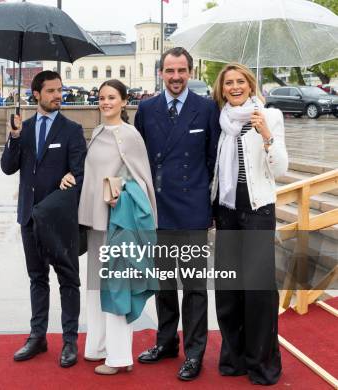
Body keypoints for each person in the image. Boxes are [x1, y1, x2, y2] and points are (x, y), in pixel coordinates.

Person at [134, 47, 221, 381]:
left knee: (195, 287)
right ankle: (166, 342)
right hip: (158, 209)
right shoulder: (146, 108)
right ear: (161, 72)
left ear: (191, 71)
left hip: (193, 211)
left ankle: (195, 352)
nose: (175, 77)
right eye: (170, 71)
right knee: (164, 284)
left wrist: (210, 209)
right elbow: (138, 159)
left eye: (181, 71)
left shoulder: (207, 108)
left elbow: (214, 161)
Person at [60, 79, 157, 375]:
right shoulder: (99, 131)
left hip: (117, 223)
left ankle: (119, 358)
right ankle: (97, 346)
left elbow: (142, 180)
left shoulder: (129, 136)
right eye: (102, 97)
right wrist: (71, 177)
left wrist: (120, 188)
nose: (105, 102)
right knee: (96, 286)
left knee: (117, 287)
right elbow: (93, 172)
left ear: (124, 101)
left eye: (112, 97)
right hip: (95, 224)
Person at [1, 70, 87, 368]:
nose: (57, 96)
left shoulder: (72, 130)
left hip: (60, 219)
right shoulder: (22, 129)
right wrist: (13, 137)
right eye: (51, 91)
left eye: (59, 90)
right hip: (29, 217)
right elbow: (8, 168)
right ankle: (38, 336)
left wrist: (71, 176)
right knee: (37, 278)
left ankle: (69, 341)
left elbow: (80, 171)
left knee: (68, 280)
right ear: (36, 94)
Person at [210, 63, 287, 385]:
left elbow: (280, 169)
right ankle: (234, 357)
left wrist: (266, 137)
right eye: (229, 82)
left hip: (257, 212)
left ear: (250, 84)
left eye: (241, 81)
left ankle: (261, 362)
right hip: (226, 210)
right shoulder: (222, 120)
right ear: (222, 88)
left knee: (258, 292)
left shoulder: (269, 116)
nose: (235, 86)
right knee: (229, 290)